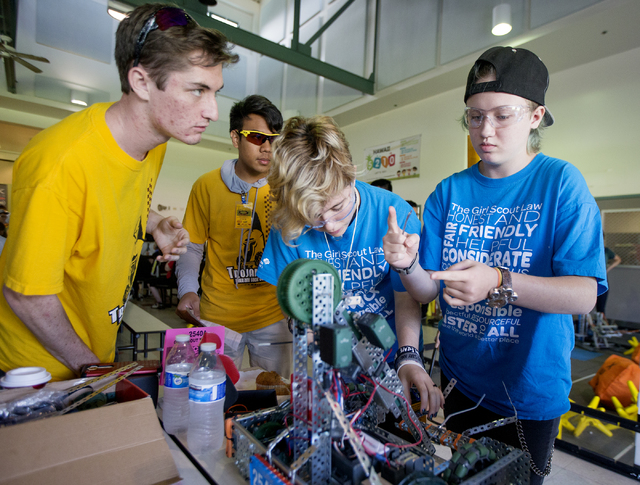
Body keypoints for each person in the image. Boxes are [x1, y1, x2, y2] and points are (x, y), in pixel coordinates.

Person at [383, 46, 607, 484]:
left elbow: (583, 295)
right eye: (474, 116)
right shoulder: (449, 192)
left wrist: (499, 282)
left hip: (528, 389)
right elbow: (428, 291)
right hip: (461, 379)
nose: (485, 130)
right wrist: (408, 264)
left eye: (502, 115)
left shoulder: (560, 183)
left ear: (535, 116)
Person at [0, 3, 238, 381]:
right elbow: (27, 296)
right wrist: (98, 373)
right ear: (142, 82)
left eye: (215, 92)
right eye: (197, 90)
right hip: (38, 374)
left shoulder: (154, 142)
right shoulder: (60, 164)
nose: (211, 111)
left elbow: (103, 207)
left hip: (91, 354)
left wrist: (154, 223)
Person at [256, 116, 441, 410]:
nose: (329, 226)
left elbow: (407, 296)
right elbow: (290, 300)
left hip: (391, 358)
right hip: (327, 364)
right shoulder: (288, 226)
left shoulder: (393, 214)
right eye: (313, 217)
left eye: (337, 208)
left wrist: (409, 356)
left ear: (351, 174)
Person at [175, 95, 291, 377]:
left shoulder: (287, 189)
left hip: (274, 317)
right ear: (235, 138)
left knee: (277, 398)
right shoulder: (206, 186)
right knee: (213, 399)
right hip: (217, 318)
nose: (266, 147)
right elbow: (192, 248)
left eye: (273, 139)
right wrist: (187, 289)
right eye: (256, 137)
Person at [595, 237, 621, 316]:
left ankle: (601, 324)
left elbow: (618, 259)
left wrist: (607, 269)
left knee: (601, 307)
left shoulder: (606, 250)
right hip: (590, 279)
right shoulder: (590, 250)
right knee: (584, 306)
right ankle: (590, 324)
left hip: (602, 279)